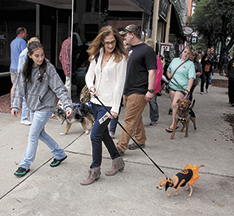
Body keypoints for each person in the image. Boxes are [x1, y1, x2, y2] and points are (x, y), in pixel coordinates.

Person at [11, 41, 73, 177]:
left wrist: (67, 105)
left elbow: (60, 88)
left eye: (42, 55)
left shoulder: (48, 68)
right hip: (33, 106)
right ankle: (59, 154)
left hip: (45, 106)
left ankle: (25, 164)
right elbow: (19, 88)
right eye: (37, 56)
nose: (40, 59)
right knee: (40, 134)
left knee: (33, 135)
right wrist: (15, 105)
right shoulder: (25, 68)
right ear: (30, 55)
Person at [80, 26, 128, 185]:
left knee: (95, 135)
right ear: (102, 42)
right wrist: (92, 87)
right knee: (103, 134)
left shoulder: (120, 58)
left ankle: (94, 171)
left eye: (113, 42)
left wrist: (115, 108)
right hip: (95, 102)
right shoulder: (97, 55)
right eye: (107, 43)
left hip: (108, 106)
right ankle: (117, 161)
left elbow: (119, 85)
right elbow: (89, 76)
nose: (110, 45)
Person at [115, 24, 157, 155]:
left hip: (139, 91)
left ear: (132, 34)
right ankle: (140, 139)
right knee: (136, 118)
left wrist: (150, 90)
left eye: (125, 34)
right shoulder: (129, 49)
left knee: (129, 120)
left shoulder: (147, 50)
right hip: (127, 90)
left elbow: (152, 71)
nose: (124, 37)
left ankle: (120, 147)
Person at [165, 46, 195, 133]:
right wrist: (168, 74)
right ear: (182, 52)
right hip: (172, 85)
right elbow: (168, 70)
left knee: (175, 104)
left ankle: (174, 123)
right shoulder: (175, 60)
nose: (186, 54)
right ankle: (177, 121)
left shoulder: (190, 64)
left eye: (188, 53)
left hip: (182, 87)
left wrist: (188, 89)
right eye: (185, 52)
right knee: (174, 106)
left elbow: (191, 78)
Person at [9, 27, 30, 125]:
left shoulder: (12, 42)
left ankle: (13, 104)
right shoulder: (22, 43)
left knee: (14, 85)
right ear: (22, 33)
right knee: (23, 89)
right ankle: (23, 113)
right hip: (19, 68)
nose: (26, 35)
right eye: (25, 33)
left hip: (12, 67)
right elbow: (25, 56)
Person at [145, 38, 162, 126]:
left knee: (153, 103)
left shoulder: (157, 59)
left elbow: (158, 75)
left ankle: (154, 118)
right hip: (143, 85)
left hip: (152, 87)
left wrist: (151, 88)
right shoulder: (144, 57)